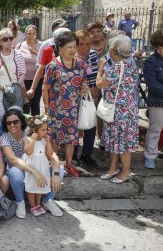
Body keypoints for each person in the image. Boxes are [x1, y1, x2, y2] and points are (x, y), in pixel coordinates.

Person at [0, 107, 63, 218]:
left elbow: (51, 154)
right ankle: (20, 202)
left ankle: (47, 200)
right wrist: (34, 171)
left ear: (21, 121)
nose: (12, 125)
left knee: (60, 171)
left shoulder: (31, 131)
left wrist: (56, 173)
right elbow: (13, 159)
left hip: (38, 164)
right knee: (15, 173)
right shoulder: (5, 137)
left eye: (15, 122)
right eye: (8, 123)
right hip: (20, 168)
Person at [43, 31, 88, 178]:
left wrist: (85, 86)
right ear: (59, 47)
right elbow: (45, 88)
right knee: (55, 138)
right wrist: (46, 108)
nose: (73, 50)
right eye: (69, 47)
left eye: (74, 46)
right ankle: (54, 165)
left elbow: (84, 82)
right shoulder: (52, 66)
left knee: (71, 139)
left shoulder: (81, 64)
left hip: (73, 109)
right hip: (56, 110)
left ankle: (69, 165)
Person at [97, 35, 139, 183]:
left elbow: (100, 84)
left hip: (120, 111)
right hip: (124, 109)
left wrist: (100, 69)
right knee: (115, 141)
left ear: (114, 50)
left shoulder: (117, 67)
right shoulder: (131, 62)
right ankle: (113, 168)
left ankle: (126, 172)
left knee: (122, 143)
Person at [71, 30, 99, 167]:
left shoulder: (93, 55)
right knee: (75, 126)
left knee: (90, 125)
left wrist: (94, 93)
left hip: (90, 96)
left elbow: (97, 74)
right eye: (82, 44)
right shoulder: (70, 56)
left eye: (89, 44)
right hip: (74, 97)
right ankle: (74, 154)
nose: (86, 47)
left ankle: (87, 153)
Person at [30, 28, 71, 111]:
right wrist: (33, 88)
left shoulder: (73, 50)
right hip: (52, 90)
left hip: (70, 90)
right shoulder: (48, 50)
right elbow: (41, 69)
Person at [0, 28, 26, 122]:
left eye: (10, 38)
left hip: (15, 92)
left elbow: (23, 73)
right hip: (1, 92)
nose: (9, 40)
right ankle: (4, 137)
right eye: (5, 39)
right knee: (2, 119)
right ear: (0, 42)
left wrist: (16, 87)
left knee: (16, 118)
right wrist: (5, 89)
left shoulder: (18, 54)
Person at [143, 29, 163, 169]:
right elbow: (151, 84)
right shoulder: (151, 62)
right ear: (160, 43)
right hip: (158, 102)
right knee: (154, 130)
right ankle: (150, 156)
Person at [23, 115, 53, 216]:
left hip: (42, 167)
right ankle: (33, 206)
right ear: (35, 130)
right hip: (33, 167)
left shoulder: (45, 140)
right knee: (32, 187)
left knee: (39, 187)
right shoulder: (28, 139)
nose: (45, 132)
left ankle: (38, 204)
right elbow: (28, 152)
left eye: (46, 129)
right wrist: (32, 140)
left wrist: (48, 142)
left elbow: (49, 154)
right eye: (43, 130)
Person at [17, 25, 42, 115]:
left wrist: (36, 51)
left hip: (38, 79)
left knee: (35, 103)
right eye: (29, 33)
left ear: (36, 35)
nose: (31, 36)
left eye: (33, 33)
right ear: (25, 34)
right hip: (23, 80)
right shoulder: (20, 45)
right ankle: (25, 125)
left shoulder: (41, 45)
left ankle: (36, 126)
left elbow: (45, 61)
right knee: (24, 103)